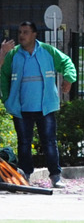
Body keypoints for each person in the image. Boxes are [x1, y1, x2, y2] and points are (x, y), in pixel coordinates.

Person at [1, 21, 75, 188]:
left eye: (25, 32)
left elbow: (66, 62)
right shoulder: (13, 54)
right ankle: (25, 175)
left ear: (34, 35)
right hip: (21, 108)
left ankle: (55, 176)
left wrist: (69, 78)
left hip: (45, 107)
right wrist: (6, 98)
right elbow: (3, 75)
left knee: (49, 142)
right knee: (24, 143)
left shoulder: (47, 51)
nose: (21, 35)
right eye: (20, 32)